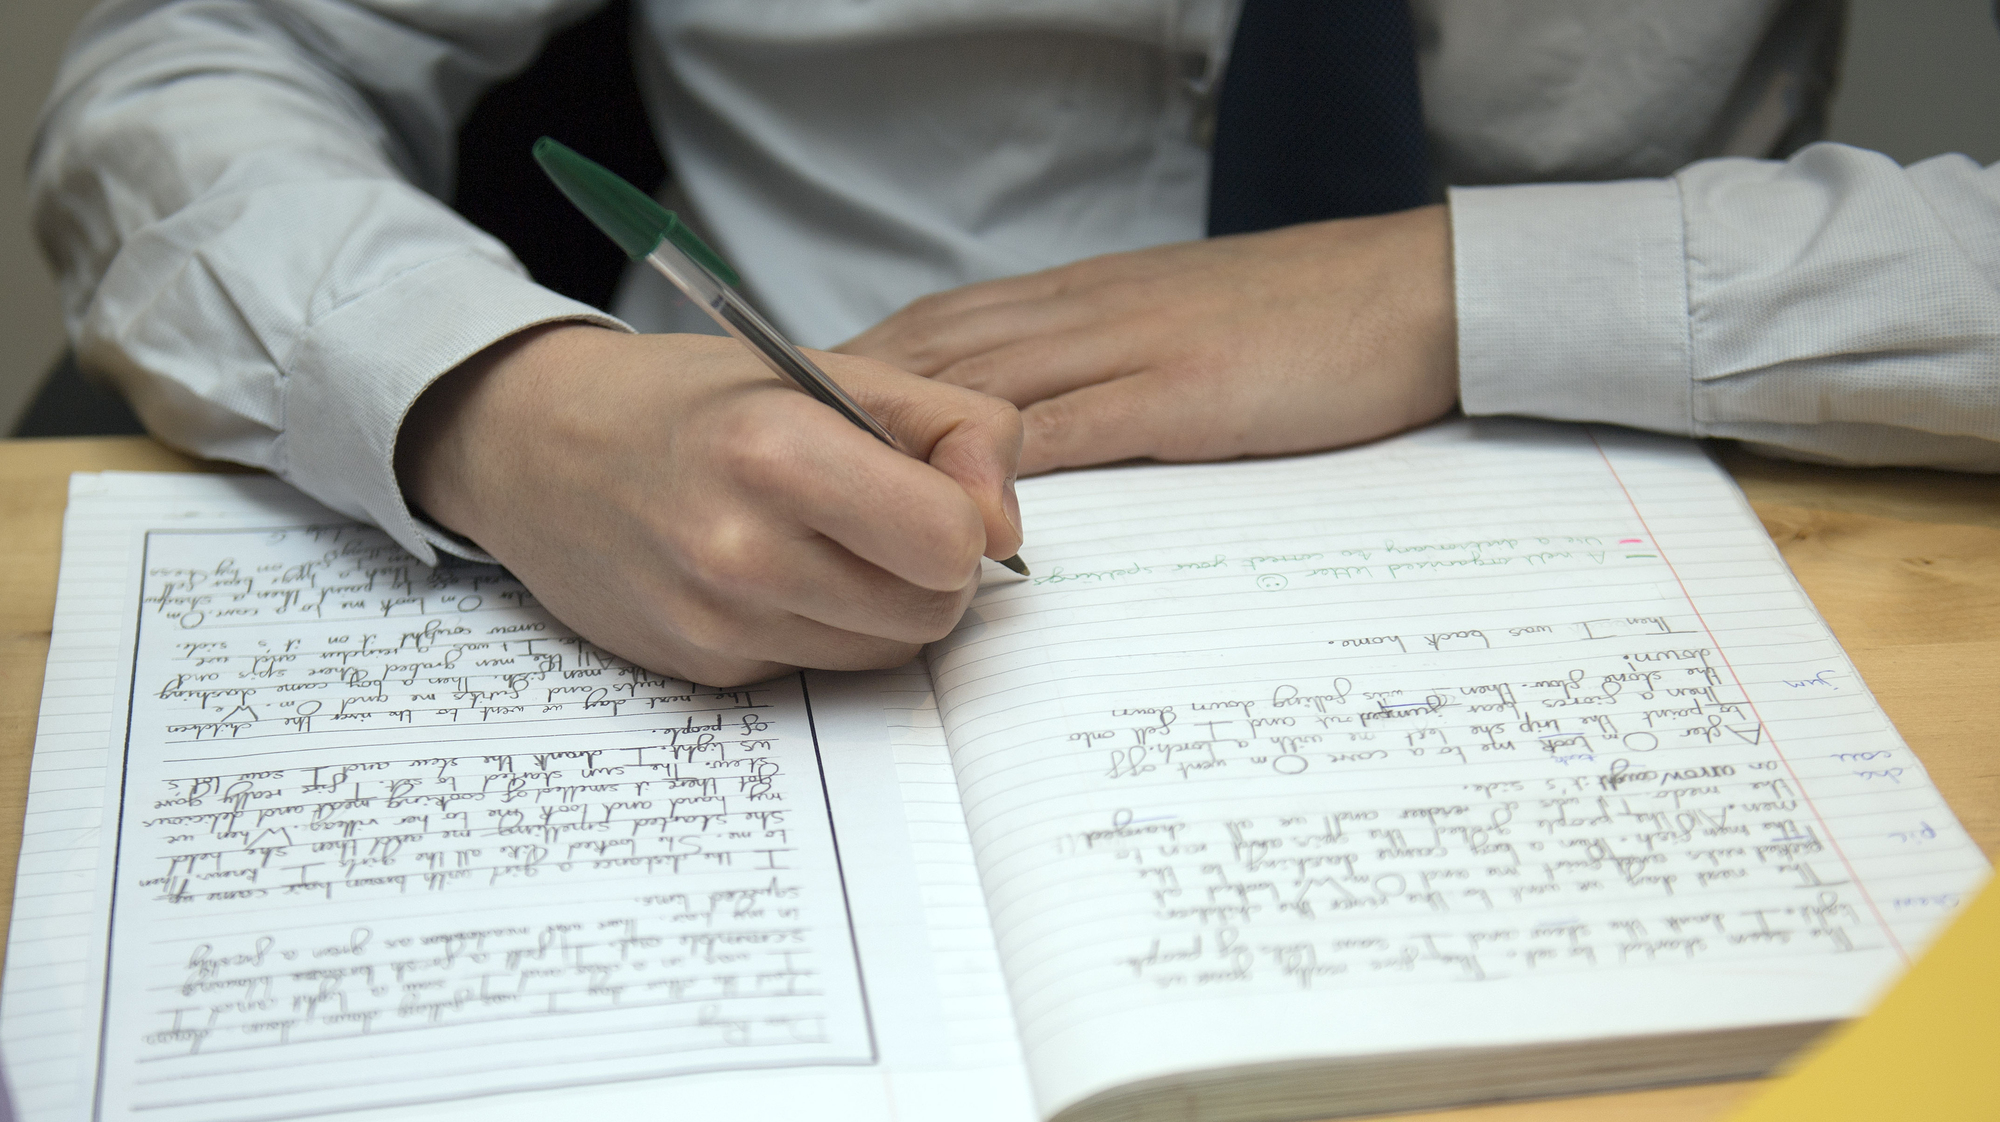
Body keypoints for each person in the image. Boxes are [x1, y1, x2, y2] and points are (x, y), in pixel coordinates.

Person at [31, 0, 2000, 687]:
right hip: (728, 552)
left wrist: (1454, 286)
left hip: (1674, 560)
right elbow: (198, 59)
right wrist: (498, 406)